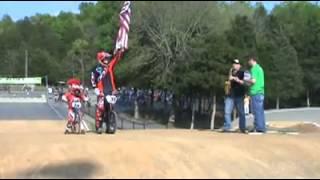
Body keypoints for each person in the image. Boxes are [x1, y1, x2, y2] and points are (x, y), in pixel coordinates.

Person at [91, 49, 123, 134]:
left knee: (111, 108)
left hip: (111, 91)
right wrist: (95, 88)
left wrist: (120, 52)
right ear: (100, 59)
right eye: (105, 58)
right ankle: (99, 126)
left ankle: (110, 126)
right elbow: (93, 79)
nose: (107, 60)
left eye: (107, 59)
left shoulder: (109, 66)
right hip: (101, 91)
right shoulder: (96, 69)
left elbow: (116, 60)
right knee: (100, 108)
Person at [223, 59, 247, 133]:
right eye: (234, 64)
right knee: (227, 111)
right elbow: (228, 82)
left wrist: (237, 79)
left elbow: (245, 83)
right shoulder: (231, 72)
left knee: (241, 112)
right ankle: (227, 127)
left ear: (240, 66)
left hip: (239, 95)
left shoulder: (243, 73)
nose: (234, 65)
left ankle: (242, 128)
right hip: (230, 95)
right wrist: (227, 83)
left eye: (237, 64)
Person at [247, 56, 266, 133]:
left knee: (256, 111)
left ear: (252, 60)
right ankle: (261, 126)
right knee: (260, 111)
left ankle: (258, 127)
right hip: (261, 91)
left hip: (255, 92)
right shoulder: (260, 68)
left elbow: (253, 81)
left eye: (249, 60)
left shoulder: (254, 69)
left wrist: (247, 81)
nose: (248, 62)